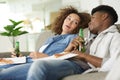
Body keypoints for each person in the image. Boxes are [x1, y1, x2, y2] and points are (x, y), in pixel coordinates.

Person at [26, 5, 120, 80]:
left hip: (76, 65)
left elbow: (116, 63)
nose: (89, 22)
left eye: (93, 18)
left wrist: (83, 56)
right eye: (68, 18)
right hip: (70, 61)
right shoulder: (95, 38)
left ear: (104, 16)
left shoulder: (115, 37)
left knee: (39, 65)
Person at [0, 6, 91, 80]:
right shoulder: (51, 38)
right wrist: (20, 58)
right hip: (29, 60)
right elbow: (37, 55)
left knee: (3, 74)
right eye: (68, 18)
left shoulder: (73, 38)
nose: (69, 22)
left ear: (78, 27)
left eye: (75, 22)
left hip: (44, 62)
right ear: (63, 19)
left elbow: (70, 57)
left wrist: (45, 57)